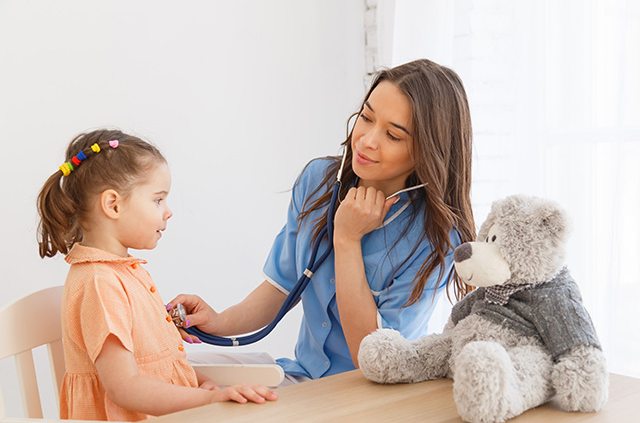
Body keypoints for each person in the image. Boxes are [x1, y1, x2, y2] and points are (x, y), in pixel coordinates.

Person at [168, 58, 476, 384]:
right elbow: (283, 285)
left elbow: (370, 356)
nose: (367, 140)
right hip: (303, 377)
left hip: (374, 395)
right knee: (177, 379)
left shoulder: (437, 239)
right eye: (366, 117)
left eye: (393, 135)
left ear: (429, 150)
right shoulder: (319, 182)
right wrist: (219, 321)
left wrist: (347, 239)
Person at [37, 130, 277, 421]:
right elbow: (125, 387)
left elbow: (155, 367)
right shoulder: (100, 283)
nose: (169, 211)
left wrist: (199, 384)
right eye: (158, 200)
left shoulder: (122, 272)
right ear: (113, 205)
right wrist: (208, 398)